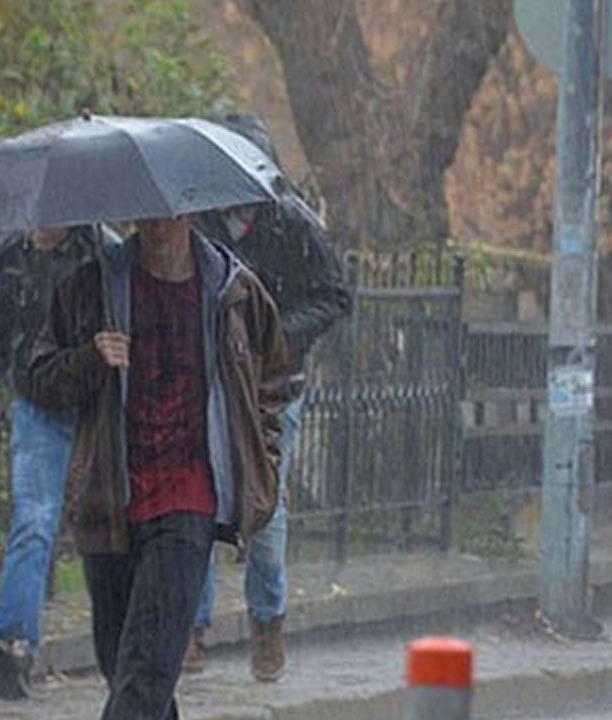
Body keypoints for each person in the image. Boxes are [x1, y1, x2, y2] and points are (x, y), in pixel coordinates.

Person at [24, 216, 289, 719]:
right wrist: (90, 358)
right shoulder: (92, 286)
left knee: (146, 669)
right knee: (125, 664)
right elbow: (39, 377)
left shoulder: (235, 290)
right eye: (147, 212)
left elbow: (273, 379)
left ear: (190, 210)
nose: (160, 223)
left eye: (170, 212)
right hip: (110, 498)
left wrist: (263, 457)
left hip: (189, 496)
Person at [185, 112, 352, 680]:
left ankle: (267, 619)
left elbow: (335, 297)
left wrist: (277, 335)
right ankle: (192, 626)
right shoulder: (200, 224)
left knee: (265, 503)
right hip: (212, 381)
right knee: (201, 497)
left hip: (275, 386)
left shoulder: (293, 222)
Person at [0, 225, 96, 700]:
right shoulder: (12, 253)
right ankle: (14, 643)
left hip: (93, 405)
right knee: (34, 519)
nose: (42, 229)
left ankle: (137, 638)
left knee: (108, 528)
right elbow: (0, 316)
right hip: (38, 402)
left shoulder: (101, 251)